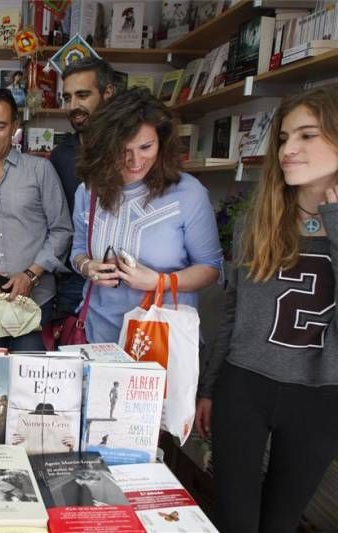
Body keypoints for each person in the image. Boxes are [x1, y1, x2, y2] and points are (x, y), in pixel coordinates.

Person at [194, 87, 338, 533]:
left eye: (307, 136)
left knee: (281, 521)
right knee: (235, 519)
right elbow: (234, 315)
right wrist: (210, 387)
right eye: (283, 138)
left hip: (320, 395)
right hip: (245, 385)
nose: (289, 149)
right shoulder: (259, 220)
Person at [70, 87, 222, 343]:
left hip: (162, 338)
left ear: (162, 142)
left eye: (146, 147)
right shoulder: (89, 191)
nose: (134, 160)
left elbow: (210, 268)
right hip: (99, 334)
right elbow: (77, 250)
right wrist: (87, 267)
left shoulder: (189, 193)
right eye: (122, 150)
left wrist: (158, 281)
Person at [0, 89, 72, 350]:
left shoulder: (40, 171)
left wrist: (30, 275)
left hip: (34, 303)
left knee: (30, 386)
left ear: (14, 127)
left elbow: (61, 230)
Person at [50, 57, 115, 318]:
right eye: (67, 97)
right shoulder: (61, 156)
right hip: (73, 280)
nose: (74, 106)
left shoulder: (129, 151)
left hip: (123, 279)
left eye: (83, 95)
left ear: (107, 92)